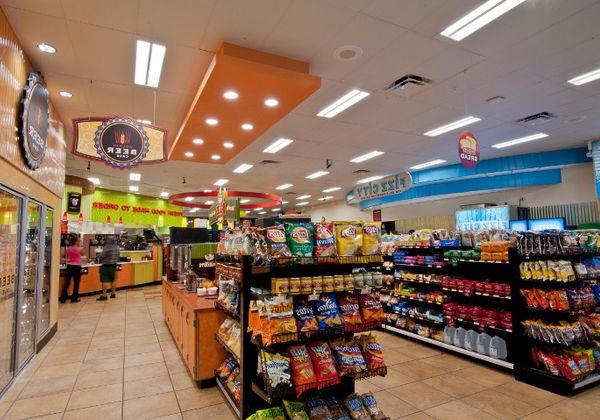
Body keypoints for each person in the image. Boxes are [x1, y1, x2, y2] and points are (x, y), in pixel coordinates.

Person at [60, 236, 83, 303]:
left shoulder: (68, 249)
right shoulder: (79, 249)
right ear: (76, 241)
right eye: (78, 240)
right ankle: (74, 298)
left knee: (67, 282)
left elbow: (61, 257)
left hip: (69, 266)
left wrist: (67, 260)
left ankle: (63, 298)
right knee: (76, 283)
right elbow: (84, 255)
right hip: (77, 267)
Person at [97, 236, 120, 301]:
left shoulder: (106, 247)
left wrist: (98, 255)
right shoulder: (117, 248)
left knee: (105, 280)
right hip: (114, 265)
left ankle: (104, 295)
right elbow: (118, 255)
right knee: (113, 280)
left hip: (106, 266)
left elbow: (102, 256)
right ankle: (113, 294)